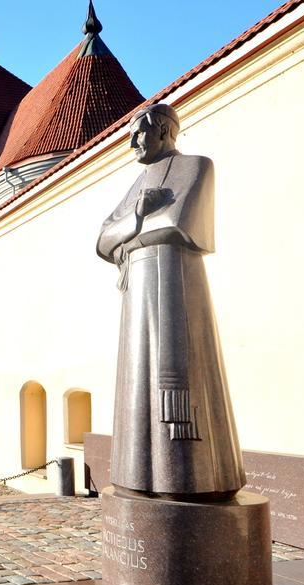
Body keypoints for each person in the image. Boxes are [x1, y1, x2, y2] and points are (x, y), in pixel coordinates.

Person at [96, 103, 244, 500]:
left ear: (163, 130)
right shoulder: (138, 184)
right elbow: (102, 240)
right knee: (138, 377)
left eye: (137, 133)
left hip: (174, 281)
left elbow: (179, 223)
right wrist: (139, 217)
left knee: (177, 374)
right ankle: (139, 475)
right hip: (137, 289)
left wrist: (130, 232)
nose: (131, 143)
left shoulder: (196, 166)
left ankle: (191, 479)